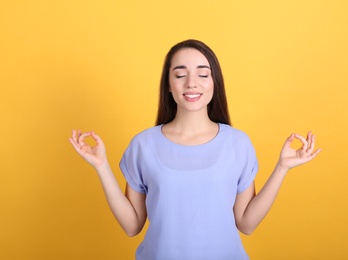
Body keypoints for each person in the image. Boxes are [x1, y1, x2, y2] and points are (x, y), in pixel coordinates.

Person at [69, 39, 321, 260]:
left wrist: (282, 168)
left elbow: (247, 223)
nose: (191, 83)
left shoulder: (238, 143)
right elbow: (132, 225)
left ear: (214, 83)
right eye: (180, 75)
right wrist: (101, 166)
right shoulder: (143, 145)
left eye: (203, 74)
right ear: (168, 84)